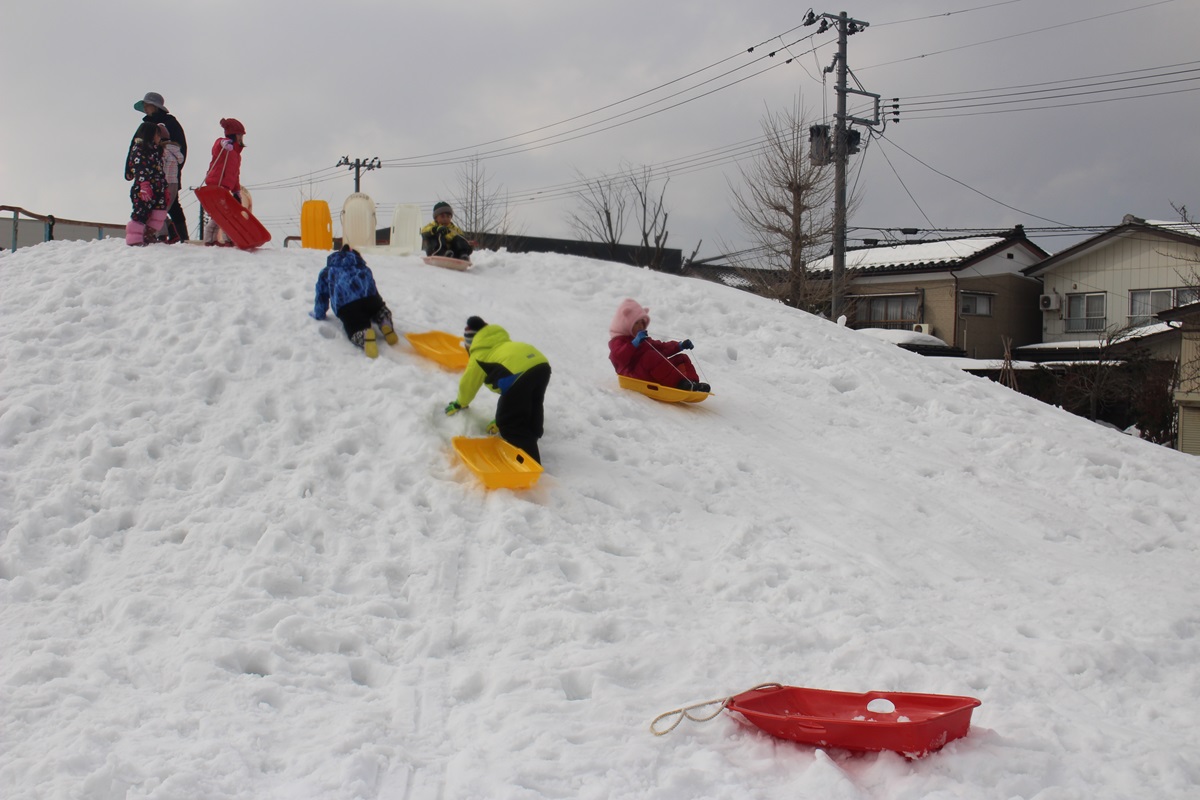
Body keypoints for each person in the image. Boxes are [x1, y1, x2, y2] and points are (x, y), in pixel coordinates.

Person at [445, 316, 552, 463]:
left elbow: (468, 384)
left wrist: (460, 403)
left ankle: (529, 462)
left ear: (470, 345)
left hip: (520, 373)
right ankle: (533, 433)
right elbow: (516, 397)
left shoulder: (479, 355)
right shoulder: (502, 344)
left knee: (509, 423)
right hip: (540, 364)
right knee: (533, 401)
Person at [310, 244, 399, 358]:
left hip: (348, 306)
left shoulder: (328, 271)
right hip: (371, 300)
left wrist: (319, 314)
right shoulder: (362, 266)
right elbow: (373, 287)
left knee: (355, 325)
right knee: (379, 310)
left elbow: (321, 295)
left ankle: (364, 334)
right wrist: (379, 304)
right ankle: (384, 321)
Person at [608, 298, 710, 392]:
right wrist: (633, 344)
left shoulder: (645, 340)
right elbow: (617, 357)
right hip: (633, 376)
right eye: (636, 323)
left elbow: (661, 348)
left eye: (642, 323)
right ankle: (679, 383)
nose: (640, 326)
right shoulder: (618, 341)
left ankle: (692, 383)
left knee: (682, 358)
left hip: (652, 373)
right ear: (626, 323)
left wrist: (680, 345)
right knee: (650, 356)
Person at [131, 92, 188, 241]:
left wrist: (175, 170)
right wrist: (130, 170)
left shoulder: (171, 123)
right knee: (160, 204)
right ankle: (172, 234)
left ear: (154, 106)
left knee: (167, 205)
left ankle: (175, 236)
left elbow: (181, 149)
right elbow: (135, 149)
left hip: (168, 174)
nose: (144, 108)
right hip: (149, 173)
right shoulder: (145, 126)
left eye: (146, 104)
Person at [202, 118, 246, 245]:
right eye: (239, 135)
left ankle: (224, 239)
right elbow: (217, 145)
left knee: (225, 214)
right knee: (223, 214)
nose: (240, 138)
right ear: (233, 135)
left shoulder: (236, 154)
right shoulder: (223, 147)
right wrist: (224, 143)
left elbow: (235, 174)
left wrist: (236, 190)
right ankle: (217, 239)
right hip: (216, 184)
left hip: (226, 188)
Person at [123, 121, 167, 246]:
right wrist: (144, 184)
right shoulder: (140, 149)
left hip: (158, 187)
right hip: (144, 187)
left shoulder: (156, 150)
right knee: (141, 212)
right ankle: (134, 239)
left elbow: (159, 170)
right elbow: (139, 168)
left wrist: (164, 186)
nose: (159, 138)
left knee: (159, 212)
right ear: (149, 134)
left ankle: (148, 234)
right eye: (157, 135)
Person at [156, 124, 185, 243]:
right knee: (164, 208)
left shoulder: (162, 151)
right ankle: (172, 231)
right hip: (174, 183)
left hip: (164, 183)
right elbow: (181, 160)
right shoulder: (175, 150)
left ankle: (163, 234)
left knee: (159, 209)